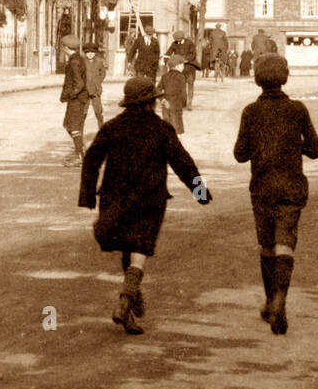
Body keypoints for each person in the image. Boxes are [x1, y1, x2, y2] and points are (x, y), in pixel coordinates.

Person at [78, 77, 212, 334]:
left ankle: (130, 299)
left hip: (114, 198)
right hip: (149, 200)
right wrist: (200, 192)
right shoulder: (161, 129)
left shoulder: (112, 127)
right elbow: (183, 162)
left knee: (128, 246)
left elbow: (92, 158)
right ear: (151, 101)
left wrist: (87, 196)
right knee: (140, 248)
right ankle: (126, 298)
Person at [233, 53, 318, 335]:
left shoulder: (250, 111)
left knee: (266, 246)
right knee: (285, 244)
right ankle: (280, 299)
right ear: (285, 77)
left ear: (257, 79)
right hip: (291, 187)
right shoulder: (297, 109)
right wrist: (297, 147)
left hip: (262, 188)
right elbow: (316, 149)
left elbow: (240, 154)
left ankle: (272, 299)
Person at [59, 34, 91, 166]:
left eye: (62, 47)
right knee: (68, 125)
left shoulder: (74, 62)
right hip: (79, 99)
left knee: (73, 127)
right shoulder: (78, 58)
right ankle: (81, 151)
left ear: (66, 47)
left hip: (77, 99)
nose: (62, 49)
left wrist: (70, 95)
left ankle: (80, 156)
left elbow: (79, 84)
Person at [161, 54, 188, 133]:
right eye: (182, 65)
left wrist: (163, 100)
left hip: (166, 106)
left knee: (167, 129)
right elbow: (183, 93)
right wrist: (183, 104)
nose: (183, 67)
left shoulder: (164, 76)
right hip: (177, 106)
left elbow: (157, 90)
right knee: (177, 130)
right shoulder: (181, 77)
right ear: (177, 66)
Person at [86, 44, 108, 129]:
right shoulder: (82, 61)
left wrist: (98, 81)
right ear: (85, 53)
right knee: (83, 112)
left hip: (96, 89)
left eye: (92, 52)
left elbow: (103, 73)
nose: (90, 54)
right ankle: (80, 133)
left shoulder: (99, 61)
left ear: (95, 53)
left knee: (98, 111)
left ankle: (101, 129)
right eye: (88, 52)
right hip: (85, 90)